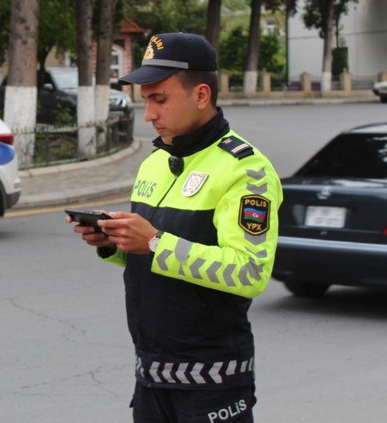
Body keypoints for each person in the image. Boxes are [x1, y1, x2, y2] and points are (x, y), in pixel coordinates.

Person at [68, 33, 281, 422]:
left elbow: (249, 271)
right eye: (145, 100)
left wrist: (152, 243)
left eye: (159, 99)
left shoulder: (246, 171)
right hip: (151, 377)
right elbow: (159, 254)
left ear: (201, 95)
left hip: (212, 385)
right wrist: (115, 243)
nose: (147, 114)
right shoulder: (155, 161)